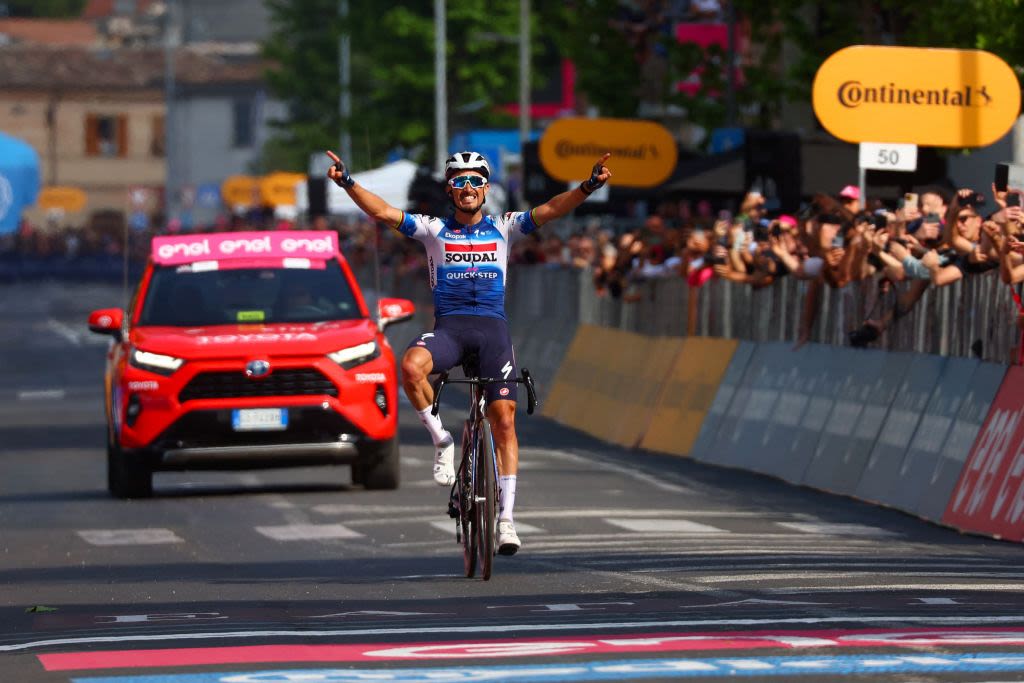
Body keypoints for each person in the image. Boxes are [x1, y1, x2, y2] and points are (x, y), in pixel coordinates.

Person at [326, 148, 612, 555]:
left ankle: (507, 521)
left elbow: (549, 210)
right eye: (459, 181)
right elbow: (386, 214)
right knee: (409, 367)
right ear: (449, 189)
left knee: (504, 420)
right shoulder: (432, 230)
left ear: (486, 188)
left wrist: (587, 187)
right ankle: (442, 440)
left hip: (493, 333)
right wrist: (347, 182)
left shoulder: (504, 226)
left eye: (475, 180)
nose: (467, 187)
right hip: (451, 330)